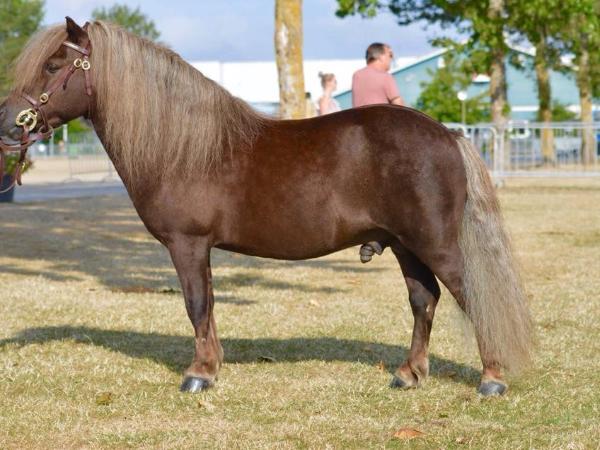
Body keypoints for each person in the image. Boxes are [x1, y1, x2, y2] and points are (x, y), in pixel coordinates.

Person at [351, 43, 404, 108]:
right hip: (382, 114)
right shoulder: (385, 76)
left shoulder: (357, 76)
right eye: (390, 55)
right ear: (381, 57)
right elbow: (399, 105)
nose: (392, 58)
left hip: (359, 115)